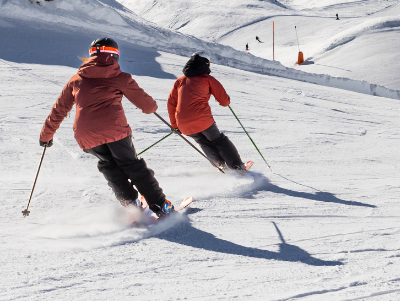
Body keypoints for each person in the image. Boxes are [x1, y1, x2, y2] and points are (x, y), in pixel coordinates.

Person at [40, 38, 174, 217]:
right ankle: (160, 205)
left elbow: (59, 110)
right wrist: (152, 107)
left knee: (108, 164)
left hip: (86, 136)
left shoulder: (76, 80)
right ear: (115, 55)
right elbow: (148, 107)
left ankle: (130, 202)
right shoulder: (120, 78)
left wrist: (46, 136)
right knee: (132, 165)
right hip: (115, 131)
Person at [167, 53, 246, 173]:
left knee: (202, 141)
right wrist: (226, 100)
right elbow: (224, 101)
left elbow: (171, 103)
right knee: (219, 140)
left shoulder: (180, 81)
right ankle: (237, 167)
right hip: (202, 119)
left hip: (183, 123)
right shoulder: (207, 79)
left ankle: (220, 165)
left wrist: (174, 125)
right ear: (206, 64)